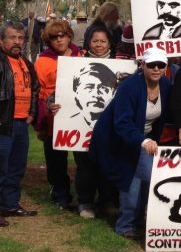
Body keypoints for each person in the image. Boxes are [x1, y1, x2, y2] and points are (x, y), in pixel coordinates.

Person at [89, 48, 171, 239]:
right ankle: (125, 225)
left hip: (145, 139)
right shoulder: (130, 87)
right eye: (151, 65)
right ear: (142, 65)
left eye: (161, 65)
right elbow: (122, 123)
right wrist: (143, 140)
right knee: (131, 183)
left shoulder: (166, 85)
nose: (156, 69)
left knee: (147, 179)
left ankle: (140, 221)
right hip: (119, 138)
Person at [34, 20, 82, 209]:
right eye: (54, 37)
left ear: (69, 35)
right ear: (48, 40)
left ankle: (85, 195)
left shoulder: (82, 55)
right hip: (53, 114)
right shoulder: (42, 61)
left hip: (79, 114)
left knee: (84, 157)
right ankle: (60, 194)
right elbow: (37, 92)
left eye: (62, 35)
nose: (59, 39)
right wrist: (42, 118)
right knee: (55, 158)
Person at [0, 23, 40, 223]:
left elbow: (34, 88)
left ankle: (10, 205)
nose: (17, 42)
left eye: (20, 38)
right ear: (1, 40)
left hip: (21, 123)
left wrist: (32, 113)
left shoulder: (25, 62)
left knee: (16, 166)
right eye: (12, 37)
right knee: (1, 167)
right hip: (3, 123)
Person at [71, 58, 120, 218]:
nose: (96, 93)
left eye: (104, 87)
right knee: (85, 169)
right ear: (77, 93)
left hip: (110, 134)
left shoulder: (119, 63)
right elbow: (56, 95)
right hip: (79, 136)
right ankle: (85, 202)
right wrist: (53, 103)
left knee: (108, 165)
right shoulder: (75, 63)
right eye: (89, 87)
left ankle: (107, 201)